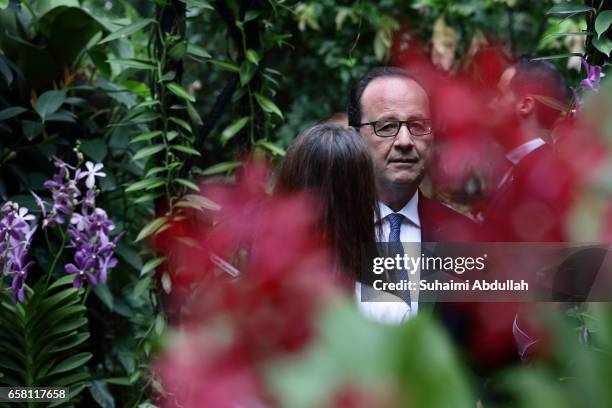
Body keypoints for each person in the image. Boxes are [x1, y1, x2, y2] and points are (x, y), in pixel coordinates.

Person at [347, 66, 480, 325]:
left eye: (418, 126)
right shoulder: (327, 232)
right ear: (355, 138)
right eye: (386, 126)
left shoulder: (467, 238)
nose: (405, 141)